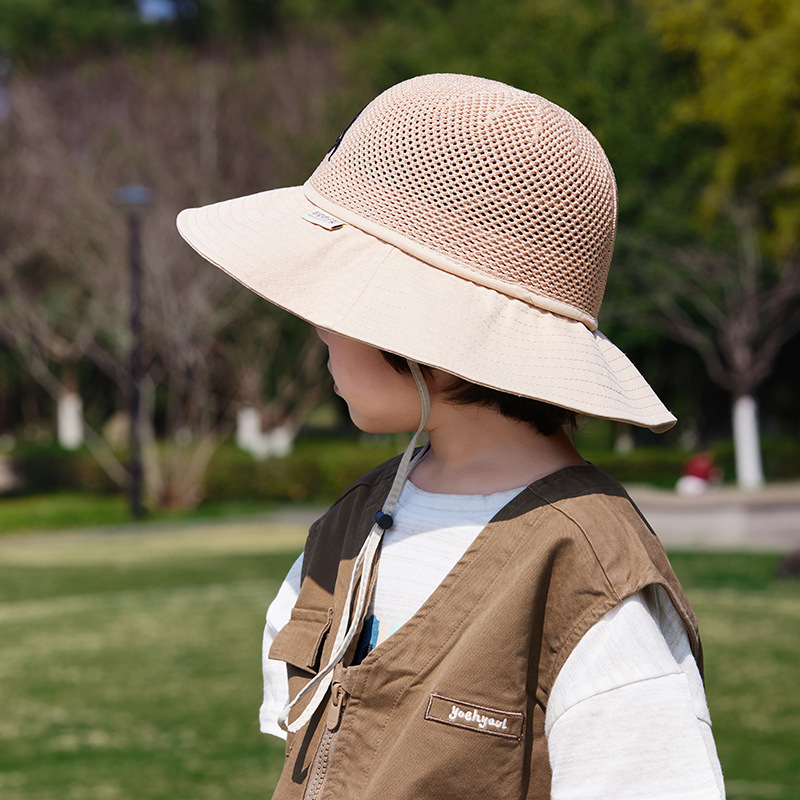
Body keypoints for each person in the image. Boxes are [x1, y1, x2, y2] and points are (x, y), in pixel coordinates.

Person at [177, 74, 725, 799]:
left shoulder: (585, 572)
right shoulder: (349, 529)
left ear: (417, 331)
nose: (314, 326)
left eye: (334, 297)